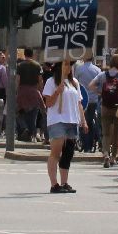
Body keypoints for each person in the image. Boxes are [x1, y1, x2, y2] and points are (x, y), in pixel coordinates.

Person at [43, 58, 83, 194]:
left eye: (70, 65)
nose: (69, 67)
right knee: (56, 152)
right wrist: (57, 92)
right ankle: (54, 184)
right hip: (58, 120)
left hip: (72, 120)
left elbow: (79, 103)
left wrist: (83, 120)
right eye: (66, 64)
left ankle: (64, 182)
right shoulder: (51, 82)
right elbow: (48, 103)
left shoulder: (74, 83)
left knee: (68, 153)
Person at [13, 49, 43, 145]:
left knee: (19, 113)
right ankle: (33, 136)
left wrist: (16, 92)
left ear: (25, 54)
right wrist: (40, 91)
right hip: (34, 91)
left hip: (22, 91)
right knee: (33, 116)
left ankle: (24, 127)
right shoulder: (38, 65)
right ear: (33, 55)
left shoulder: (20, 65)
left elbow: (17, 80)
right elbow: (40, 80)